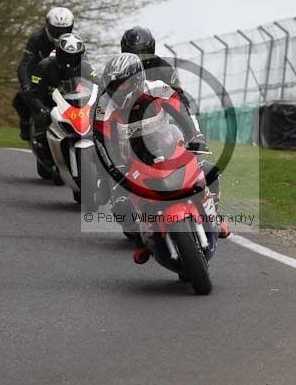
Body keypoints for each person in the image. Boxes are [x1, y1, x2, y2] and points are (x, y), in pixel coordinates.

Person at [93, 53, 229, 264]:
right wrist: (114, 169)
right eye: (113, 85)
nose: (117, 90)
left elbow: (182, 112)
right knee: (120, 204)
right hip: (129, 161)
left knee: (210, 171)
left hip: (168, 147)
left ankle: (215, 218)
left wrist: (195, 136)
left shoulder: (157, 88)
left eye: (122, 84)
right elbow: (102, 142)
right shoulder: (104, 106)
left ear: (136, 80)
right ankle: (141, 242)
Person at [27, 32, 99, 165]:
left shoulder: (85, 66)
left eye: (74, 57)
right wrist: (42, 108)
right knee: (42, 119)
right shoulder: (44, 66)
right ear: (59, 54)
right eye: (67, 56)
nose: (70, 60)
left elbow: (97, 83)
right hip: (50, 103)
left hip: (75, 104)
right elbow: (34, 93)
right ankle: (44, 154)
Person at [13, 7, 75, 140]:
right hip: (39, 78)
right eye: (56, 29)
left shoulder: (73, 42)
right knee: (20, 98)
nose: (60, 33)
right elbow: (24, 64)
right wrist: (26, 86)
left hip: (63, 79)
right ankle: (25, 124)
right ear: (47, 25)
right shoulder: (37, 39)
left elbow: (83, 64)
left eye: (64, 30)